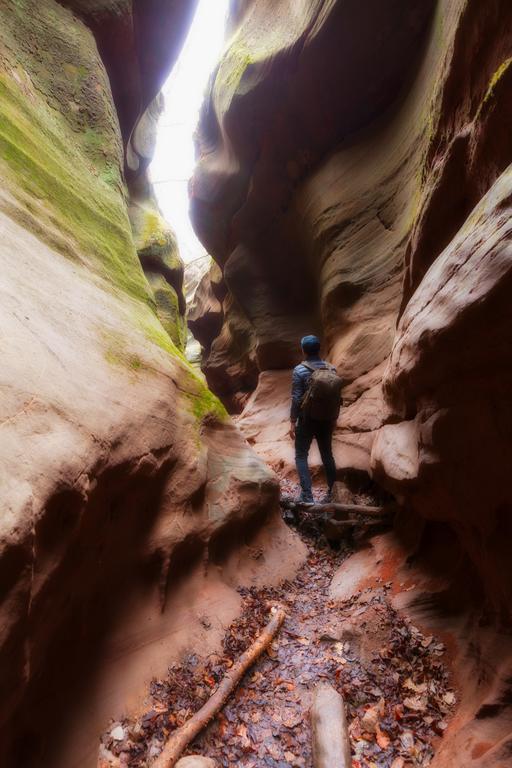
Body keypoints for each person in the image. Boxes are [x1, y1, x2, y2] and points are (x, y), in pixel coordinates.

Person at [290, 335, 340, 503]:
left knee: (301, 455)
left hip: (307, 420)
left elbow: (297, 399)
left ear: (303, 350)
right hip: (326, 419)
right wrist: (334, 418)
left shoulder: (299, 370)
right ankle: (334, 493)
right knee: (327, 455)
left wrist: (292, 421)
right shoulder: (331, 369)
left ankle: (307, 495)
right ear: (319, 349)